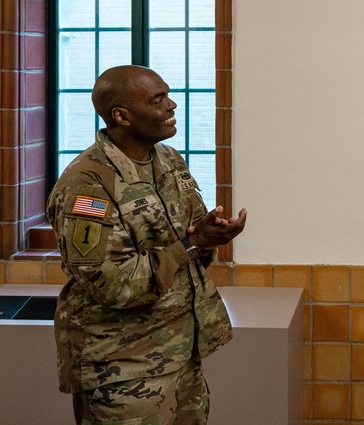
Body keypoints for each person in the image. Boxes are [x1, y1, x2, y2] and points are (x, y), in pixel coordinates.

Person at [45, 65, 248, 425]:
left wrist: (209, 237)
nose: (172, 105)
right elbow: (115, 285)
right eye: (158, 100)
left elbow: (190, 238)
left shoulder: (168, 160)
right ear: (121, 116)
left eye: (168, 95)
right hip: (123, 367)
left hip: (180, 350)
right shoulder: (86, 185)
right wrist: (191, 243)